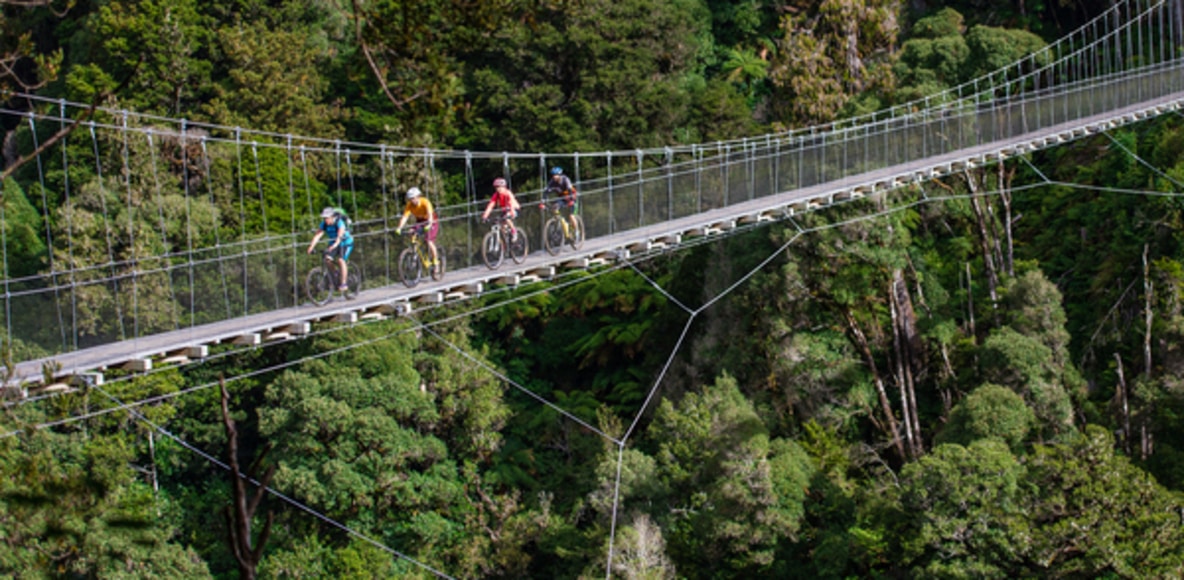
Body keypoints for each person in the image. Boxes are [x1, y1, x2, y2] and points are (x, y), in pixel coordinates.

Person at [306, 207, 354, 292]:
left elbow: (340, 235)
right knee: (327, 259)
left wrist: (335, 244)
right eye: (324, 218)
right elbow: (318, 235)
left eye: (327, 218)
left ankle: (344, 283)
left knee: (341, 260)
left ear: (332, 217)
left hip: (346, 243)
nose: (326, 220)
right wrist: (311, 247)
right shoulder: (324, 224)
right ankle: (335, 273)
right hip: (333, 244)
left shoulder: (339, 222)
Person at [395, 187, 440, 272]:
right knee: (411, 232)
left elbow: (430, 214)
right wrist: (399, 227)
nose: (412, 201)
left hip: (431, 220)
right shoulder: (409, 205)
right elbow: (405, 217)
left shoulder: (425, 202)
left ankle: (435, 262)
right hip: (420, 221)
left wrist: (429, 224)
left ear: (418, 197)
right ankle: (414, 254)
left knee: (429, 241)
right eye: (410, 199)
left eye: (413, 198)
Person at [543, 166, 579, 234]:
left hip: (571, 197)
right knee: (554, 208)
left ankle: (576, 231)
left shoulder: (565, 179)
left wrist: (571, 200)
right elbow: (546, 191)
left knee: (571, 216)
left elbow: (569, 189)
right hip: (562, 198)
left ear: (559, 175)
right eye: (553, 175)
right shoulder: (552, 182)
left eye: (556, 175)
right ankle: (559, 222)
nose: (554, 177)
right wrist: (543, 201)